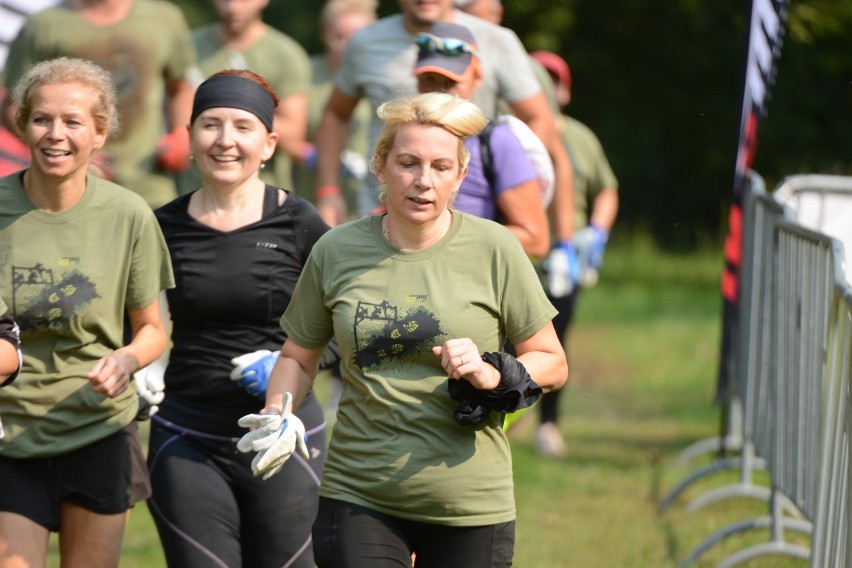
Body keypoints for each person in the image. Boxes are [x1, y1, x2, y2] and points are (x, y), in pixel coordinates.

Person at [236, 92, 568, 567]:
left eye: (439, 166)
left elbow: (552, 361)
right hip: (359, 493)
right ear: (381, 167)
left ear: (460, 176)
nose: (423, 181)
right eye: (408, 163)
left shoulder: (495, 247)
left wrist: (491, 372)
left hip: (469, 502)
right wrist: (278, 411)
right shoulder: (336, 250)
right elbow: (297, 356)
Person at [147, 70, 331, 568]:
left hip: (284, 431)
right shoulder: (160, 226)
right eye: (210, 125)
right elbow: (131, 321)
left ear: (269, 143)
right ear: (189, 137)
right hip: (188, 436)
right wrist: (136, 368)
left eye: (242, 127)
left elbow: (348, 325)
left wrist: (286, 363)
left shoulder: (300, 222)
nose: (225, 141)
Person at [0, 56, 173, 567]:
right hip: (10, 434)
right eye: (42, 119)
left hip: (97, 430)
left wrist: (126, 361)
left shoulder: (128, 214)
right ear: (22, 124)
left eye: (73, 121)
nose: (56, 134)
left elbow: (151, 331)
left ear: (99, 133)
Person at [313, 0, 574, 234]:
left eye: (450, 82)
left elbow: (538, 117)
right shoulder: (365, 42)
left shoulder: (495, 39)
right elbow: (336, 113)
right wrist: (328, 190)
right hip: (380, 208)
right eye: (428, 80)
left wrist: (510, 186)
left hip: (470, 211)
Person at [1, 0, 197, 209]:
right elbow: (13, 106)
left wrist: (182, 133)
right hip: (69, 194)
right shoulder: (44, 25)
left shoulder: (164, 18)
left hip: (150, 187)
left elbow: (180, 87)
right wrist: (70, 152)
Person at [531, 50, 619, 457]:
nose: (547, 87)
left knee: (555, 343)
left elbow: (606, 189)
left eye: (554, 80)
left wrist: (597, 233)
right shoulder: (511, 132)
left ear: (565, 91)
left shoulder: (582, 138)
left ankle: (548, 424)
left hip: (566, 260)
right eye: (539, 78)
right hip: (523, 253)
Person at [414, 21, 549, 258]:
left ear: (477, 78)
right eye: (429, 80)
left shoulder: (497, 141)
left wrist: (441, 236)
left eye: (451, 82)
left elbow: (536, 239)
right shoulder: (405, 137)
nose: (438, 92)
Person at [184, 0, 311, 195]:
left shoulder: (286, 54)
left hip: (266, 195)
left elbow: (294, 139)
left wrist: (234, 110)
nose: (233, 8)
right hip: (192, 190)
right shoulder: (188, 49)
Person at [292, 0, 377, 217]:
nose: (347, 45)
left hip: (372, 201)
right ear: (324, 34)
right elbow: (279, 129)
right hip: (312, 197)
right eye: (338, 37)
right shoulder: (303, 74)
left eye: (356, 37)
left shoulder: (382, 79)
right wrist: (310, 154)